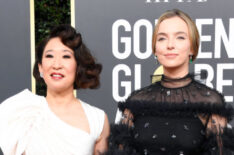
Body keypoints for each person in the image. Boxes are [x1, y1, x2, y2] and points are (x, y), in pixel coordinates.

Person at [106, 9, 234, 155]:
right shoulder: (136, 101)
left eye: (180, 37)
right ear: (155, 49)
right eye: (162, 38)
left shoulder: (210, 102)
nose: (170, 45)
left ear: (192, 48)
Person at [0, 24, 109, 155]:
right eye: (49, 56)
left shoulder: (97, 119)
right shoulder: (20, 111)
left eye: (66, 56)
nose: (56, 65)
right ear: (40, 67)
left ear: (78, 66)